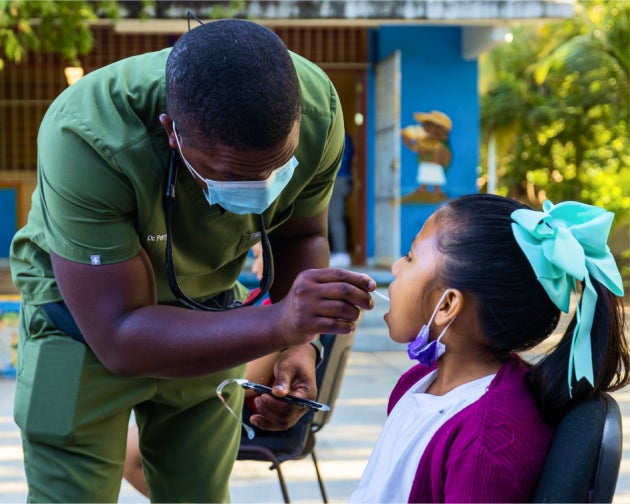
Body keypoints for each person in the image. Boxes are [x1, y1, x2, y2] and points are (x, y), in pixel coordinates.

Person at [9, 19, 376, 503]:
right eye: (231, 174)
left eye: (277, 164)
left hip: (206, 318)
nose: (260, 185)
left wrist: (297, 348)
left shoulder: (317, 112)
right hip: (73, 325)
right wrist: (281, 323)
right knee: (66, 494)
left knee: (200, 494)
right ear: (172, 134)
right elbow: (119, 335)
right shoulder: (85, 135)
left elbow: (302, 234)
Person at [350, 193, 629, 503]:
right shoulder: (417, 383)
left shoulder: (488, 443)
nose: (396, 268)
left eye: (410, 257)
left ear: (447, 305)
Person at [123, 242, 276, 497]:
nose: (257, 266)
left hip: (234, 415)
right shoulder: (255, 299)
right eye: (256, 256)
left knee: (129, 453)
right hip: (219, 405)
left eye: (262, 257)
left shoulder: (274, 309)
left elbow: (245, 380)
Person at [328, 131, 354, 267]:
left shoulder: (338, 136)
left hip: (337, 179)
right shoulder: (345, 136)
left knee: (335, 218)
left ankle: (340, 253)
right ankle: (338, 252)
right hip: (342, 179)